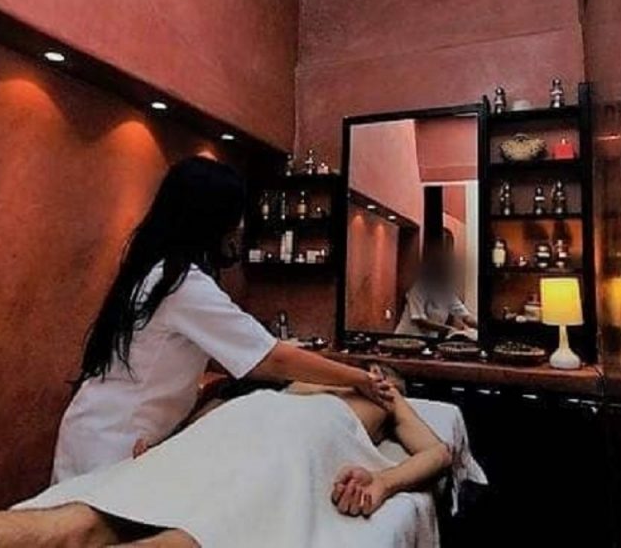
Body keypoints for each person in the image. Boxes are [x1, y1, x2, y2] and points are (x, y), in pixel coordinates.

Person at [52, 156, 392, 483]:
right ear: (211, 219)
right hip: (114, 440)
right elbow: (271, 358)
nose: (240, 227)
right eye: (235, 216)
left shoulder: (155, 270)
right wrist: (359, 378)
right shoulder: (181, 284)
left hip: (98, 426)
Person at [0, 367, 452, 548]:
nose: (375, 374)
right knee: (89, 527)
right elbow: (228, 408)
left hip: (265, 440)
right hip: (242, 434)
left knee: (105, 528)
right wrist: (171, 442)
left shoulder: (373, 398)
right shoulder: (324, 388)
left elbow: (438, 452)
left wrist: (382, 482)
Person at [394, 251, 477, 338]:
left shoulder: (447, 293)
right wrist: (449, 329)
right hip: (408, 337)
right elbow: (419, 320)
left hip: (429, 338)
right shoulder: (419, 288)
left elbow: (466, 317)